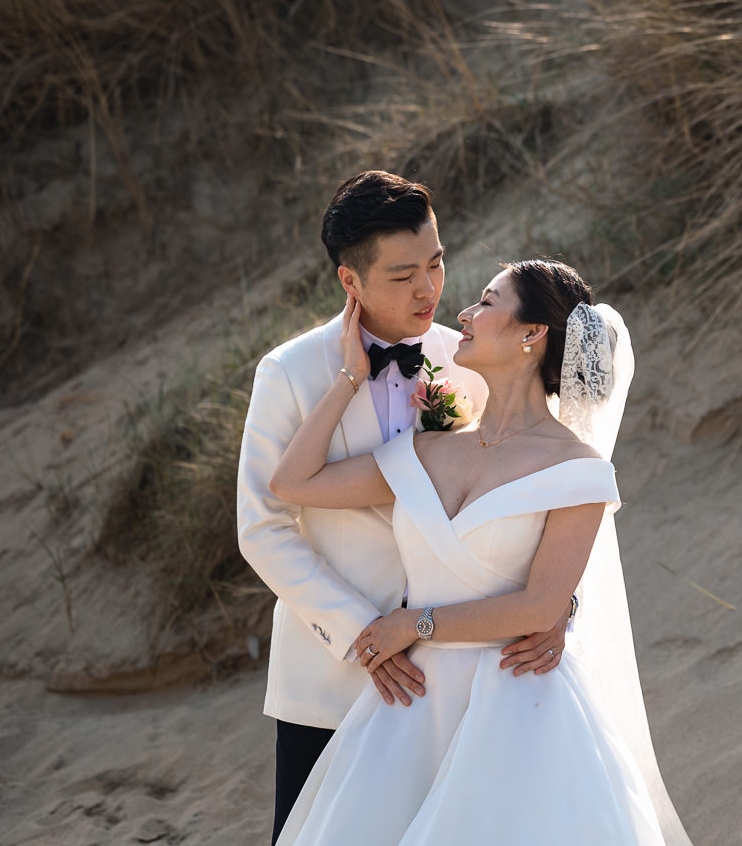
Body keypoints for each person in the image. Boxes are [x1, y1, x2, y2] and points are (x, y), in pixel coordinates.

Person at [268, 259, 691, 845]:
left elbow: (541, 605)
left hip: (517, 706)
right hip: (412, 705)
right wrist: (349, 376)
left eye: (487, 301)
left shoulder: (579, 470)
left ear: (531, 333)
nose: (464, 313)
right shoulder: (428, 451)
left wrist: (412, 623)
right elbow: (292, 483)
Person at [236, 172, 575, 842]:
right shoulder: (289, 372)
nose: (428, 289)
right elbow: (261, 527)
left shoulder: (473, 358)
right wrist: (363, 630)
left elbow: (534, 494)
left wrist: (558, 604)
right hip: (331, 675)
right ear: (350, 282)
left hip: (454, 669)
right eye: (402, 275)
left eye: (437, 262)